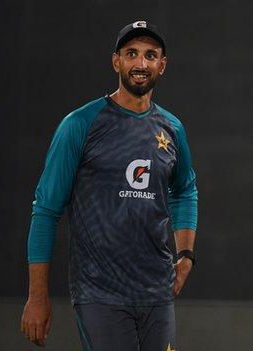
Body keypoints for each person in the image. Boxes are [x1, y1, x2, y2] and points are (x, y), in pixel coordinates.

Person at [20, 21, 198, 351]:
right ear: (116, 61)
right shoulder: (80, 124)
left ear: (162, 64)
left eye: (150, 55)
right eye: (131, 54)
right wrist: (37, 296)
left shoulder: (172, 128)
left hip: (157, 294)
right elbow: (45, 211)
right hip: (100, 294)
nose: (141, 64)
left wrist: (185, 255)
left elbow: (186, 189)